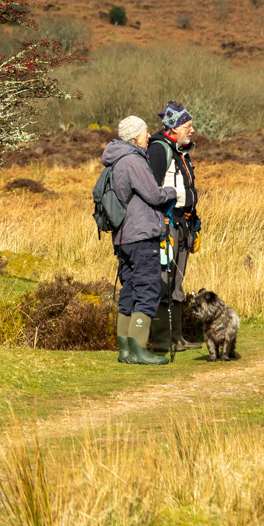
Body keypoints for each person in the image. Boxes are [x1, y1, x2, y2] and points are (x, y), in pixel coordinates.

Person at [102, 115, 178, 365]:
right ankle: (139, 349)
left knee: (130, 290)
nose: (149, 136)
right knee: (147, 289)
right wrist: (172, 192)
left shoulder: (116, 159)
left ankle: (125, 350)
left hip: (123, 237)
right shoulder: (133, 160)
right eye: (146, 133)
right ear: (135, 136)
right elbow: (154, 195)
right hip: (141, 234)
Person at [146, 101, 201, 354]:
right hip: (166, 226)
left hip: (184, 224)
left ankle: (178, 338)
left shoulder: (182, 151)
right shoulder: (159, 151)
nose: (191, 130)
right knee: (163, 281)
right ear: (174, 127)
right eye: (187, 126)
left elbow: (187, 191)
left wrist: (195, 224)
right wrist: (158, 226)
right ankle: (162, 340)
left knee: (177, 282)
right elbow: (150, 191)